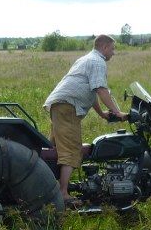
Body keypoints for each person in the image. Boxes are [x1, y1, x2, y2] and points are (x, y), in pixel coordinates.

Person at [43, 34, 128, 206]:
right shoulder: (98, 62)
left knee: (55, 150)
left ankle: (46, 188)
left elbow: (91, 92)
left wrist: (103, 114)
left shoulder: (87, 59)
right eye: (112, 49)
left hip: (60, 106)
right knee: (71, 149)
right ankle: (63, 194)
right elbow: (101, 90)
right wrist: (117, 112)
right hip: (68, 107)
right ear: (104, 48)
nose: (114, 53)